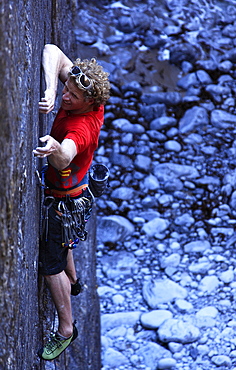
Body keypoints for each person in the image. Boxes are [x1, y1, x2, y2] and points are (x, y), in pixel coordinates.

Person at [33, 44, 110, 360]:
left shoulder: (82, 127)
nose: (67, 97)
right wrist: (52, 88)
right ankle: (75, 282)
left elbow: (66, 153)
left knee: (51, 265)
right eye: (67, 88)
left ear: (88, 102)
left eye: (72, 97)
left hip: (65, 201)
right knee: (66, 241)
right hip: (75, 198)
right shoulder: (80, 92)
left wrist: (53, 148)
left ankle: (66, 328)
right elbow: (52, 51)